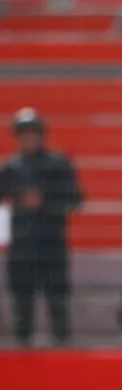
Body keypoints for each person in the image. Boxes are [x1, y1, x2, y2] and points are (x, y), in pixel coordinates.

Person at [0, 108, 83, 348]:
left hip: (51, 244)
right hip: (21, 246)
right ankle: (22, 356)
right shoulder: (11, 168)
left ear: (41, 135)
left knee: (57, 302)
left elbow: (76, 201)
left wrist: (45, 202)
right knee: (21, 304)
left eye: (32, 134)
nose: (28, 139)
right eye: (23, 134)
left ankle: (62, 354)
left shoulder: (58, 165)